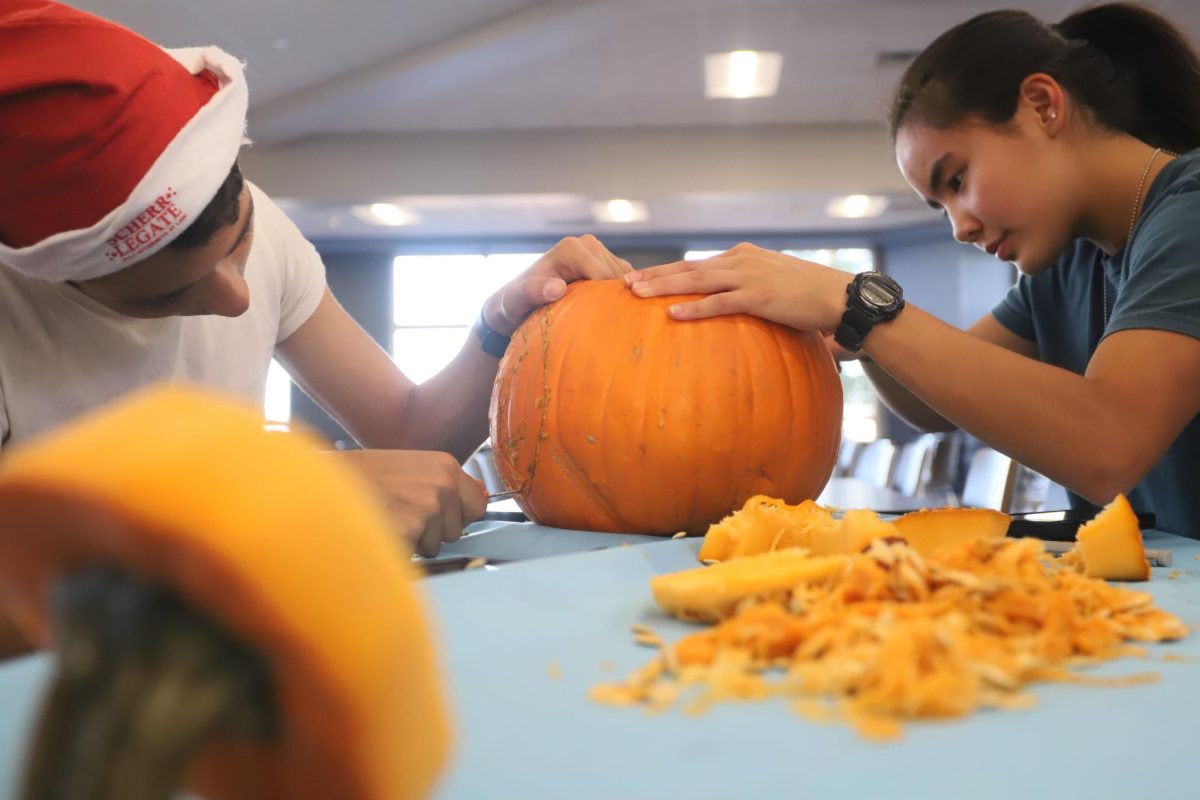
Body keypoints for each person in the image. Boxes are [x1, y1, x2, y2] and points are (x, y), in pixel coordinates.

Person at [0, 0, 630, 564]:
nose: (238, 298)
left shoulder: (269, 228)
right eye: (168, 295)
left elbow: (410, 433)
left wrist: (497, 325)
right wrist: (281, 496)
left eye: (239, 239)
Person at [627, 2, 1200, 539]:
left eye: (956, 180)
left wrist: (853, 300)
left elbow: (1105, 443)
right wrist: (847, 334)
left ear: (1042, 105)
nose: (960, 228)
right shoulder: (1067, 263)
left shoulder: (1191, 209)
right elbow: (929, 406)